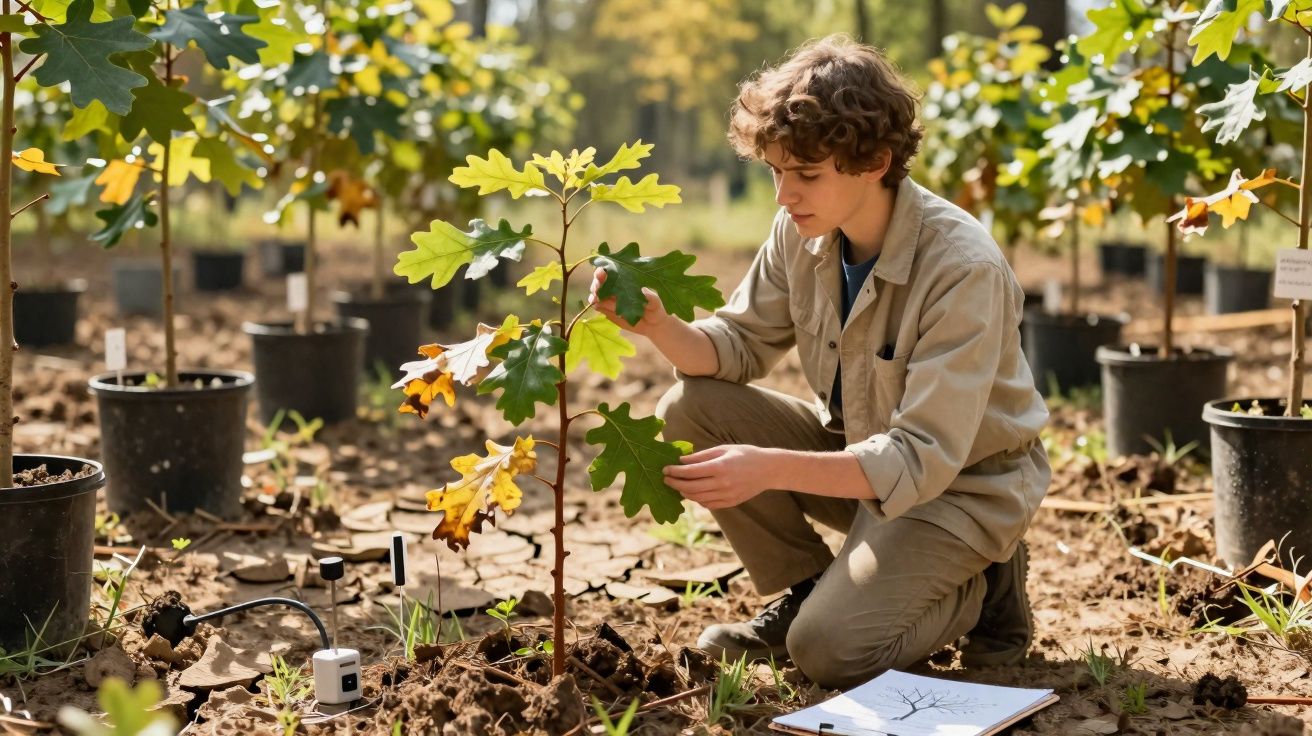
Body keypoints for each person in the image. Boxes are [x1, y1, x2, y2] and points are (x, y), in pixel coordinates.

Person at [587, 34, 1050, 690]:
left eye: (805, 175)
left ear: (875, 162)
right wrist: (658, 325)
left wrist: (768, 467)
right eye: (775, 171)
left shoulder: (961, 267)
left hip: (962, 488)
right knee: (691, 408)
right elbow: (737, 348)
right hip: (859, 458)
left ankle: (985, 588)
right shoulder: (801, 234)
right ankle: (805, 591)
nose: (783, 195)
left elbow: (921, 458)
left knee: (830, 653)